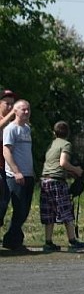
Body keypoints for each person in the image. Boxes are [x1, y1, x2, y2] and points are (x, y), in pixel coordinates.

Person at [40, 121, 84, 252]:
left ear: (54, 133)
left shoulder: (52, 144)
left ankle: (48, 242)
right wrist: (76, 170)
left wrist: (69, 172)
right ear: (68, 133)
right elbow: (62, 162)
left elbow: (54, 164)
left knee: (49, 212)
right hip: (57, 182)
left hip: (45, 180)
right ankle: (72, 240)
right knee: (66, 210)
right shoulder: (66, 144)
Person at [2, 99, 35, 251]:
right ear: (15, 111)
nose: (26, 112)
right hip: (15, 176)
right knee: (19, 208)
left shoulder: (27, 129)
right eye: (23, 109)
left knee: (25, 210)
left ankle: (13, 238)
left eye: (28, 109)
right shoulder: (11, 129)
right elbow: (6, 151)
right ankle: (11, 240)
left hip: (28, 175)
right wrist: (16, 171)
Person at [0, 89, 17, 228]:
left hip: (7, 168)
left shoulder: (12, 124)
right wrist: (12, 114)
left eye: (13, 104)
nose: (10, 107)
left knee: (5, 200)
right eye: (7, 103)